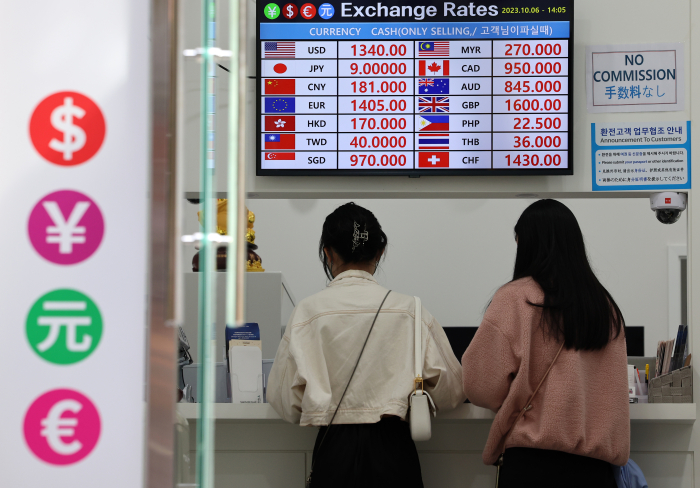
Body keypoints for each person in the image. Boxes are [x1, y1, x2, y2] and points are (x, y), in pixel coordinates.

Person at [268, 202, 465, 488]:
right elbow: (452, 391)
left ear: (328, 252)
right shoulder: (411, 310)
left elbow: (285, 401)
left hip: (333, 448)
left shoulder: (307, 312)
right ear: (379, 252)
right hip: (394, 449)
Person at [462, 199, 630, 488]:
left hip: (533, 466)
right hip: (596, 471)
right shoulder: (605, 307)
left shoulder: (515, 298)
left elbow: (479, 387)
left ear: (528, 244)